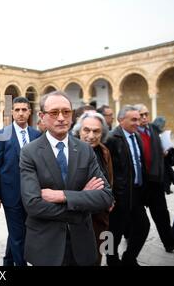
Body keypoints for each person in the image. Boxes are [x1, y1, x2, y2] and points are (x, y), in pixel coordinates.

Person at [20, 91, 113, 266]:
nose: (61, 118)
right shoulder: (29, 152)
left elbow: (106, 197)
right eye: (54, 113)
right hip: (46, 246)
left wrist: (63, 196)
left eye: (66, 112)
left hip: (82, 245)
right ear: (42, 116)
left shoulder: (85, 150)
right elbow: (33, 205)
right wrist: (81, 202)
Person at [0, 96, 40, 266]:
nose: (20, 113)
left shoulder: (36, 134)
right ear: (11, 112)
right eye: (17, 110)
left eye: (24, 110)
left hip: (32, 194)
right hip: (10, 194)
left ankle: (7, 262)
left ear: (29, 112)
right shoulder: (1, 134)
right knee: (18, 236)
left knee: (20, 233)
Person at [105, 105, 150, 266]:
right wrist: (109, 195)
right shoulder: (111, 139)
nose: (138, 123)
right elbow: (105, 170)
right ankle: (111, 259)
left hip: (136, 194)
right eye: (134, 119)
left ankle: (129, 258)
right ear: (120, 120)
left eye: (138, 119)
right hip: (118, 197)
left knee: (143, 226)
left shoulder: (136, 136)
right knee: (111, 233)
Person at [72, 112, 114, 265]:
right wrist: (84, 194)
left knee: (97, 256)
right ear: (78, 131)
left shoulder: (104, 151)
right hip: (77, 218)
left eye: (96, 131)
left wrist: (110, 197)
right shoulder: (69, 151)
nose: (91, 135)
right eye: (86, 130)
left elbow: (109, 177)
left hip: (99, 217)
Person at [134, 104, 174, 252]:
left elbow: (161, 149)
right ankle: (129, 237)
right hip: (139, 183)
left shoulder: (153, 129)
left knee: (162, 214)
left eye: (146, 114)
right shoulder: (132, 133)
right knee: (137, 219)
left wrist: (165, 152)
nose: (144, 117)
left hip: (155, 180)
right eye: (141, 115)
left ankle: (169, 243)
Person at [153, 116, 174, 194]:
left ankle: (167, 188)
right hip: (159, 160)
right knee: (166, 173)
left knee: (167, 172)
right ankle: (166, 188)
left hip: (164, 158)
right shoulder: (153, 133)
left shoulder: (160, 133)